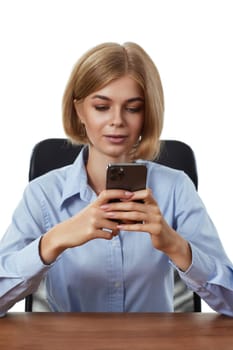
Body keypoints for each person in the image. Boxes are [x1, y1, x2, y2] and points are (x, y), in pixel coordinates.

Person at [0, 42, 233, 317]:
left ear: (147, 115)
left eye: (133, 108)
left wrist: (175, 245)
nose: (117, 121)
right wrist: (53, 241)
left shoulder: (176, 189)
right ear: (79, 111)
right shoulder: (43, 194)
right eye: (101, 106)